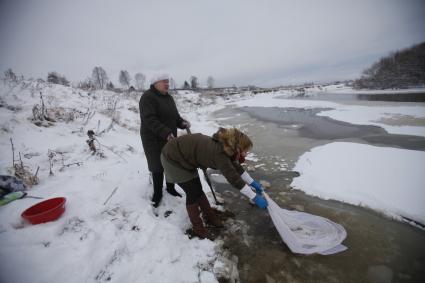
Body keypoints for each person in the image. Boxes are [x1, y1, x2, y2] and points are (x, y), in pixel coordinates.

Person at [160, 127, 268, 239]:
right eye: (245, 151)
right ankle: (198, 230)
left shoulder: (227, 147)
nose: (245, 155)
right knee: (192, 193)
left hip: (186, 158)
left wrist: (253, 183)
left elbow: (236, 167)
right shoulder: (220, 153)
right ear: (238, 147)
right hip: (173, 158)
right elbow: (233, 178)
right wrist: (254, 197)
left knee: (198, 189)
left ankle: (211, 217)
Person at [139, 73, 190, 207]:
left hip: (169, 137)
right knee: (157, 166)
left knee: (171, 163)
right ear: (155, 83)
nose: (167, 84)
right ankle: (157, 193)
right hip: (153, 139)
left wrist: (182, 123)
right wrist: (166, 132)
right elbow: (150, 119)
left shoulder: (169, 98)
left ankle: (170, 188)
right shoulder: (147, 98)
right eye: (164, 81)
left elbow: (175, 117)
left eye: (168, 82)